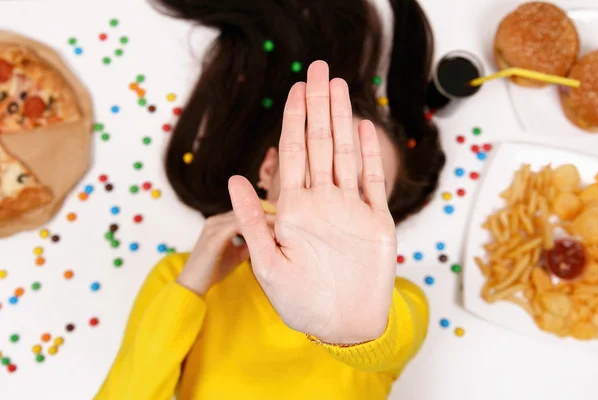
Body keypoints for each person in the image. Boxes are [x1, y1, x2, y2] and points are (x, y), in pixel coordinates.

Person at [96, 0, 445, 399]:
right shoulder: (181, 278)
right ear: (268, 170)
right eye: (318, 163)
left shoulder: (394, 302)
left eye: (362, 189)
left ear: (382, 219)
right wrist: (190, 288)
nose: (328, 193)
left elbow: (390, 338)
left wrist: (358, 328)